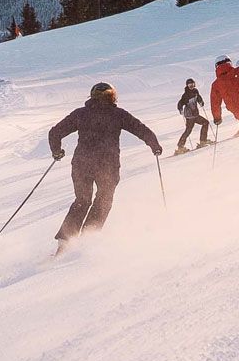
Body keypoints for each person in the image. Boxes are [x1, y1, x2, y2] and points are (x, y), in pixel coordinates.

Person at [48, 82, 161, 250]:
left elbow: (55, 132)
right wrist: (155, 146)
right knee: (104, 200)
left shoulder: (81, 114)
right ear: (112, 97)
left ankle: (65, 242)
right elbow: (141, 129)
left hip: (82, 164)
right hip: (107, 165)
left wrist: (57, 151)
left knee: (82, 200)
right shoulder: (118, 114)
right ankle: (88, 237)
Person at [175, 78, 212, 154]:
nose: (191, 86)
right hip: (189, 116)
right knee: (188, 130)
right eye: (189, 84)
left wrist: (201, 102)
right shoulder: (186, 94)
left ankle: (203, 141)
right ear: (187, 85)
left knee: (205, 123)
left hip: (195, 114)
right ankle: (180, 147)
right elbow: (180, 103)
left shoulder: (195, 91)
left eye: (192, 84)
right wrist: (180, 109)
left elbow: (198, 97)